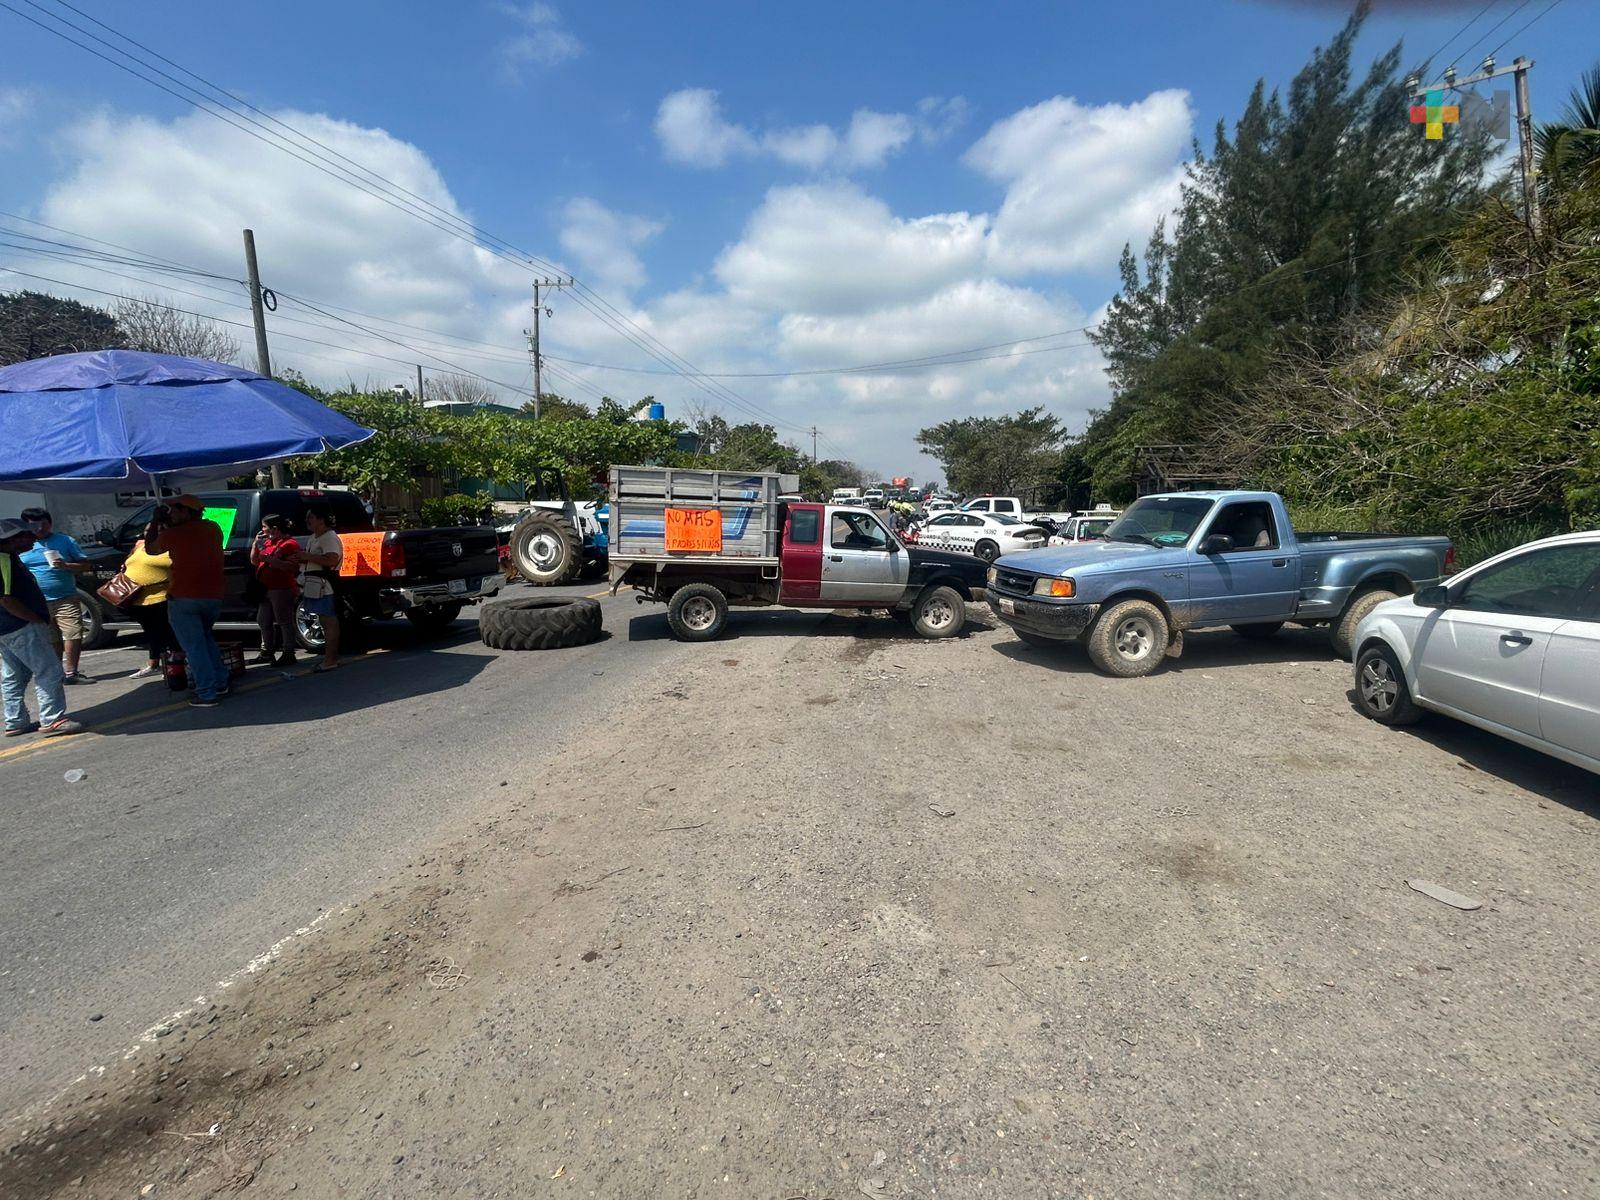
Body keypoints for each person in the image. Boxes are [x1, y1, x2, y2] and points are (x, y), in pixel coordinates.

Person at [0, 518, 82, 737]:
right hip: (19, 625)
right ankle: (53, 719)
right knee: (49, 669)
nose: (33, 537)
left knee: (14, 674)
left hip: (8, 628)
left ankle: (15, 720)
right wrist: (33, 618)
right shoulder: (4, 560)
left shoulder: (9, 557)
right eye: (27, 534)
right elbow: (6, 599)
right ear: (11, 540)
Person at [146, 495, 228, 708]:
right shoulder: (213, 528)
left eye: (174, 510)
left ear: (185, 512)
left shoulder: (173, 534)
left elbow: (150, 549)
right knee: (206, 640)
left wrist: (155, 520)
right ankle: (220, 682)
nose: (170, 514)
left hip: (184, 596)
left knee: (195, 647)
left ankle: (207, 692)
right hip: (213, 596)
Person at [18, 507, 95, 683]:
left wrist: (66, 565)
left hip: (65, 596)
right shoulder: (22, 544)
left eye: (44, 524)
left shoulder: (65, 541)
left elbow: (86, 565)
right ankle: (55, 673)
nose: (40, 529)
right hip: (37, 601)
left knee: (73, 633)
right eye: (34, 525)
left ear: (50, 523)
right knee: (51, 638)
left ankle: (71, 673)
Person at [120, 524, 174, 679]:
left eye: (154, 531)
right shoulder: (139, 545)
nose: (149, 534)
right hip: (137, 598)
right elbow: (128, 561)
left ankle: (172, 664)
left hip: (162, 597)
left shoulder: (172, 546)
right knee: (151, 633)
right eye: (146, 531)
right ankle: (154, 664)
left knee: (168, 633)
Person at [297, 504, 343, 672]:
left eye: (311, 517)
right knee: (324, 622)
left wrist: (307, 556)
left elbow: (332, 560)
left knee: (329, 622)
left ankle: (331, 659)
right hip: (313, 585)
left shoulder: (329, 537)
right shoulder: (313, 537)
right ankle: (329, 658)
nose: (307, 520)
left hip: (325, 586)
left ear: (321, 520)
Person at [250, 515, 300, 666]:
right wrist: (255, 544)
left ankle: (288, 652)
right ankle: (266, 651)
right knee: (263, 620)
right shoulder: (267, 543)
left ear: (275, 529)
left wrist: (274, 561)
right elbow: (254, 560)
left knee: (284, 620)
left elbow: (292, 567)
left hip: (281, 587)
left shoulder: (289, 544)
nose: (263, 530)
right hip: (265, 588)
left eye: (265, 527)